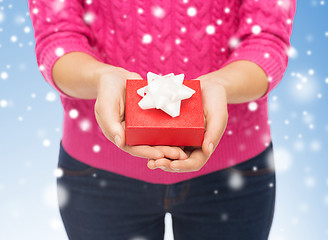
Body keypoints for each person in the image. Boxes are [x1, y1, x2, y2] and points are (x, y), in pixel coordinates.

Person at [28, 0, 296, 239]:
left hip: (235, 169)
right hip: (97, 174)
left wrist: (222, 85)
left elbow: (267, 40)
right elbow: (57, 37)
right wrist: (100, 78)